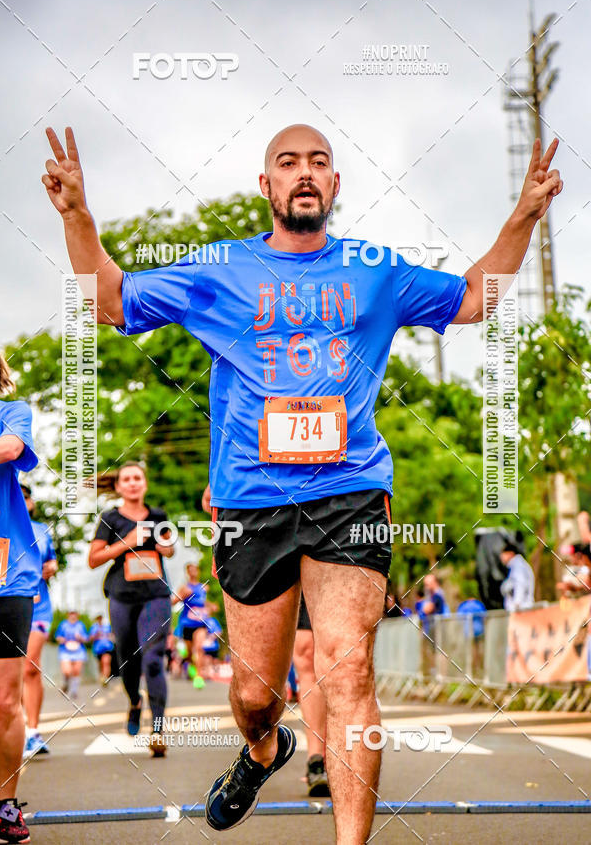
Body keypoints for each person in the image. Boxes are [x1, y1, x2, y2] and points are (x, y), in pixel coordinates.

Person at [43, 122, 563, 843]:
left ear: (336, 184)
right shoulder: (222, 268)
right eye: (288, 163)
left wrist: (525, 216)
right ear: (267, 186)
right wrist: (78, 218)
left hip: (350, 491)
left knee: (348, 675)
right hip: (251, 502)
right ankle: (263, 748)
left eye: (319, 161)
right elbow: (112, 301)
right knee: (256, 695)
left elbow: (477, 297)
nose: (305, 172)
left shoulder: (374, 271)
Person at [0, 332, 41, 844]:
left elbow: (11, 448)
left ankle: (5, 802)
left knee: (4, 699)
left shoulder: (11, 411)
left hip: (5, 575)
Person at [88, 461, 174, 757]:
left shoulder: (158, 515)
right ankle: (135, 703)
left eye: (138, 477)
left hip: (156, 595)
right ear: (120, 486)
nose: (133, 483)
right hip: (122, 596)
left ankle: (159, 728)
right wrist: (127, 542)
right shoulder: (110, 518)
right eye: (127, 479)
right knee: (128, 660)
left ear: (145, 483)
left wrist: (166, 545)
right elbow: (94, 558)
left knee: (153, 658)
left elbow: (169, 547)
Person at [20, 485, 58, 759]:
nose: (21, 501)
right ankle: (12, 726)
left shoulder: (42, 530)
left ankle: (32, 733)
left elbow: (51, 562)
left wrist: (51, 568)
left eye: (25, 496)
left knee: (29, 665)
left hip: (37, 607)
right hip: (2, 606)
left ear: (31, 502)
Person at [293, 594, 330, 797]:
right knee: (307, 652)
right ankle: (317, 760)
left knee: (348, 658)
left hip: (343, 569)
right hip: (294, 567)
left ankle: (338, 755)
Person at [173, 563, 210, 688]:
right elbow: (173, 602)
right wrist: (182, 597)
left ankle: (198, 677)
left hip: (200, 623)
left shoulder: (204, 588)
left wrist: (210, 607)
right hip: (187, 623)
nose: (194, 572)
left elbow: (204, 604)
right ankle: (190, 665)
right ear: (187, 572)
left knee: (199, 648)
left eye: (195, 569)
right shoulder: (184, 588)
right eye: (191, 570)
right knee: (189, 653)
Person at [55, 610, 88, 699]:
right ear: (68, 615)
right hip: (65, 650)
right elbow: (57, 636)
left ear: (77, 616)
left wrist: (80, 638)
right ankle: (66, 683)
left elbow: (86, 638)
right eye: (71, 615)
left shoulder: (81, 625)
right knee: (67, 671)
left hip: (79, 651)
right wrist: (61, 639)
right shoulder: (63, 625)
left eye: (74, 615)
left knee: (76, 671)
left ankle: (74, 691)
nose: (73, 616)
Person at [499, 543, 535, 612]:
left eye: (503, 554)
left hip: (521, 609)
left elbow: (520, 583)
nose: (501, 557)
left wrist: (517, 603)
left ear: (511, 553)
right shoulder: (518, 564)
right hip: (523, 607)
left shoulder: (517, 565)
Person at [88, 614, 115, 685]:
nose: (99, 619)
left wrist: (110, 637)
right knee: (101, 664)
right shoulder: (94, 627)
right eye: (98, 618)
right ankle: (102, 676)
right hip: (98, 649)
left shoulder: (107, 626)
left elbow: (112, 636)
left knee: (106, 662)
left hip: (107, 647)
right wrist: (96, 635)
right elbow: (90, 638)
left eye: (100, 618)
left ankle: (105, 678)